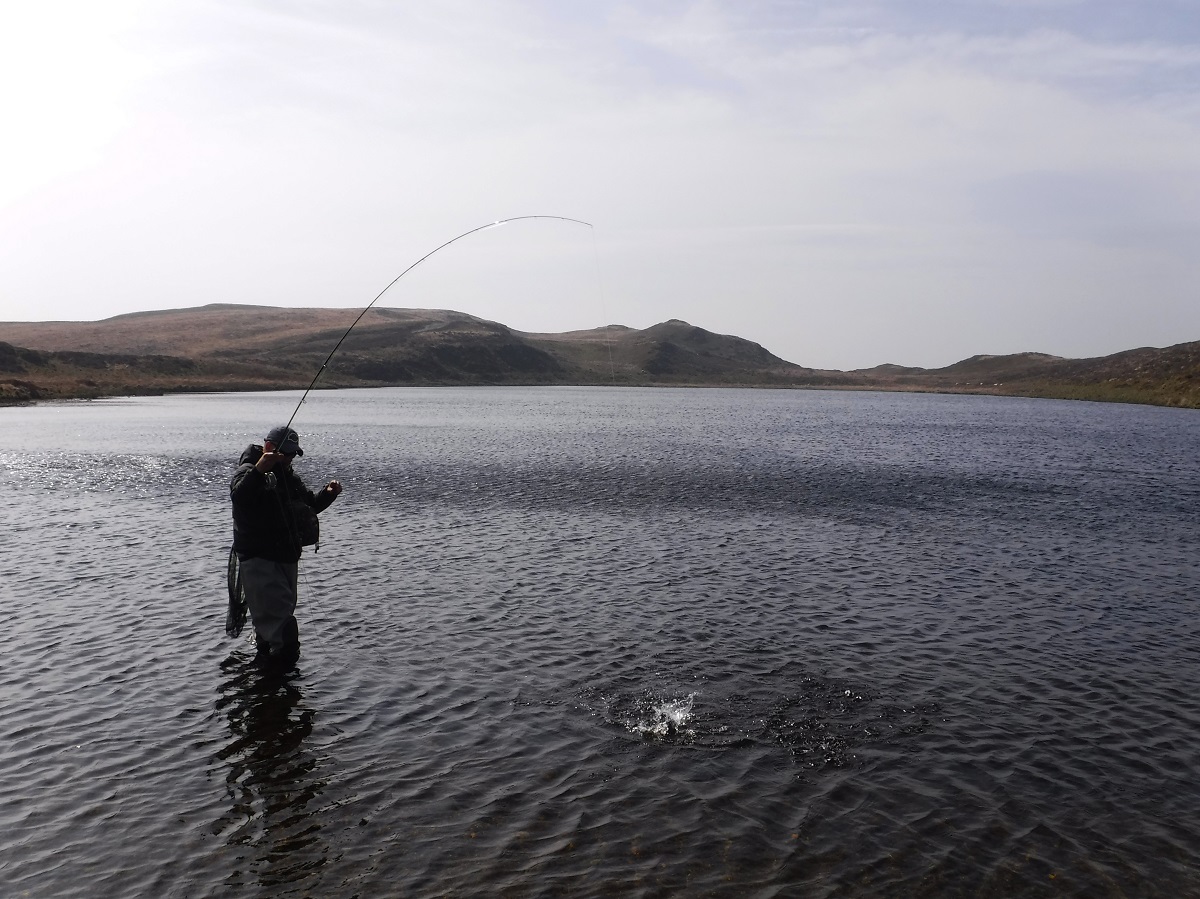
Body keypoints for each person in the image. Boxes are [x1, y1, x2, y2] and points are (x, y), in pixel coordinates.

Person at [230, 425, 342, 671]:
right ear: (269, 447)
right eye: (285, 453)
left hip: (286, 558)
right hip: (260, 560)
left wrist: (328, 495)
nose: (289, 459)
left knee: (275, 623)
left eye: (293, 454)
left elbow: (307, 505)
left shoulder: (288, 476)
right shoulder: (248, 471)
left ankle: (267, 681)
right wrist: (260, 469)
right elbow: (239, 497)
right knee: (283, 629)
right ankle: (283, 683)